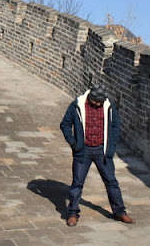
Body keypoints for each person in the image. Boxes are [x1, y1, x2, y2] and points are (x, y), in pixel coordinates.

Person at [59, 83, 135, 227]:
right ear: (90, 98)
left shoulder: (108, 106)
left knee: (111, 182)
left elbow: (115, 126)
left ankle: (120, 212)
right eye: (96, 102)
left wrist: (111, 147)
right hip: (83, 151)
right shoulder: (77, 105)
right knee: (77, 183)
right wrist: (74, 144)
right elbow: (65, 124)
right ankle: (73, 213)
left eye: (101, 102)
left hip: (102, 151)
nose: (99, 104)